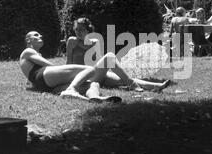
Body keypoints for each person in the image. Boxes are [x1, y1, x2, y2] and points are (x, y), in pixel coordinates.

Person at [20, 31, 171, 102]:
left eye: (41, 35)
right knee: (97, 65)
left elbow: (32, 77)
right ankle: (70, 90)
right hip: (46, 77)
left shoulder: (34, 57)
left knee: (98, 80)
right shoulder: (28, 51)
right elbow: (49, 65)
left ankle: (96, 97)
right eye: (36, 35)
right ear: (28, 40)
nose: (40, 36)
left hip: (47, 82)